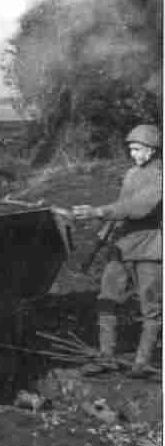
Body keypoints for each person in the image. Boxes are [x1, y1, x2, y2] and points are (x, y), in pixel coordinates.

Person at [73, 124, 162, 378]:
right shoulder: (132, 174)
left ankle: (142, 363)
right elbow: (121, 207)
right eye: (131, 149)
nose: (134, 154)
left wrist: (98, 211)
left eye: (138, 149)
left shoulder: (160, 177)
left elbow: (137, 208)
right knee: (107, 298)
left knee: (151, 307)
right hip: (122, 245)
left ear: (152, 150)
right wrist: (101, 237)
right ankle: (106, 356)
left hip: (149, 248)